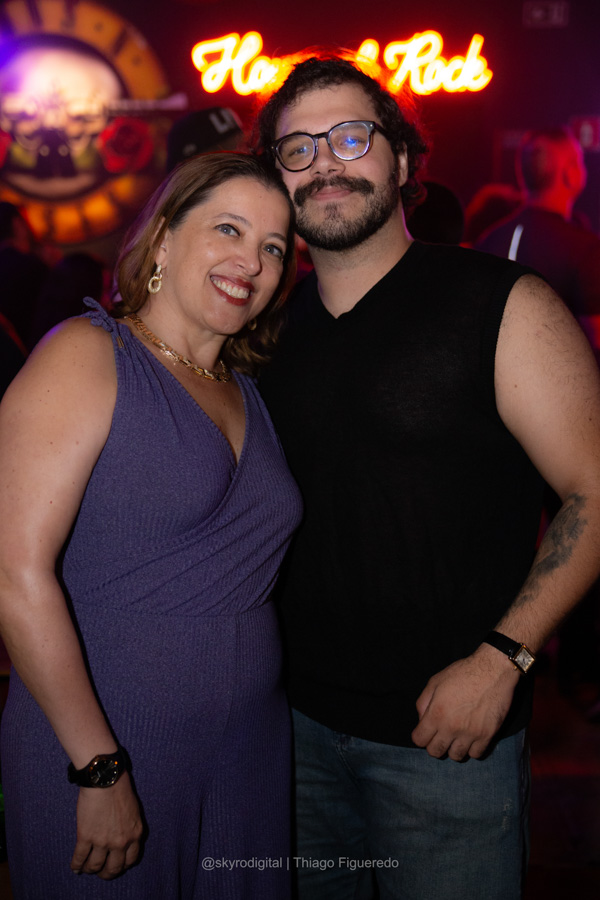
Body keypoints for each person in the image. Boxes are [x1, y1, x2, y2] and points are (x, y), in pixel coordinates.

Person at [253, 55, 600, 899]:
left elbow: (593, 492)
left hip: (449, 743)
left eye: (350, 137)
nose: (324, 163)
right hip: (289, 736)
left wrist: (504, 660)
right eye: (298, 148)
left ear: (402, 158)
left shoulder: (502, 303)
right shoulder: (263, 328)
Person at [0, 152, 302, 899]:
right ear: (163, 238)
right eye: (228, 229)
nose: (251, 261)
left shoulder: (249, 391)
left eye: (273, 247)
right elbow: (12, 573)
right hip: (108, 742)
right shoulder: (87, 355)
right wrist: (98, 765)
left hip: (250, 754)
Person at [475, 128, 600, 331]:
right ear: (570, 175)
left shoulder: (489, 240)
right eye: (579, 161)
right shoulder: (586, 250)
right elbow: (596, 337)